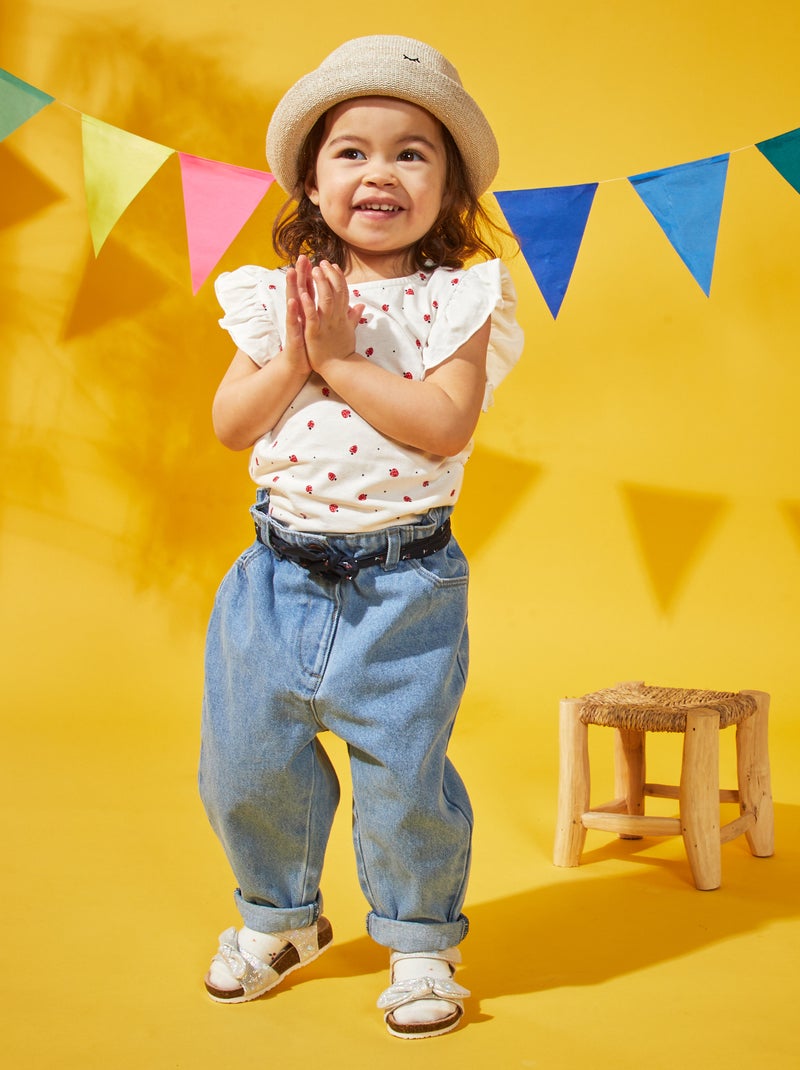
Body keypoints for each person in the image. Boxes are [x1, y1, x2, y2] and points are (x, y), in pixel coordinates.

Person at [198, 34, 524, 1040]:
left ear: (449, 185)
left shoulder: (458, 296)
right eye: (351, 150)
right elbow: (232, 421)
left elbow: (441, 424)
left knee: (403, 773)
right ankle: (279, 920)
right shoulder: (277, 292)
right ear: (309, 176)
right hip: (275, 578)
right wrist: (297, 348)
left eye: (411, 152)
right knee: (247, 766)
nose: (378, 171)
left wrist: (337, 363)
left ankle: (420, 939)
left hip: (402, 586)